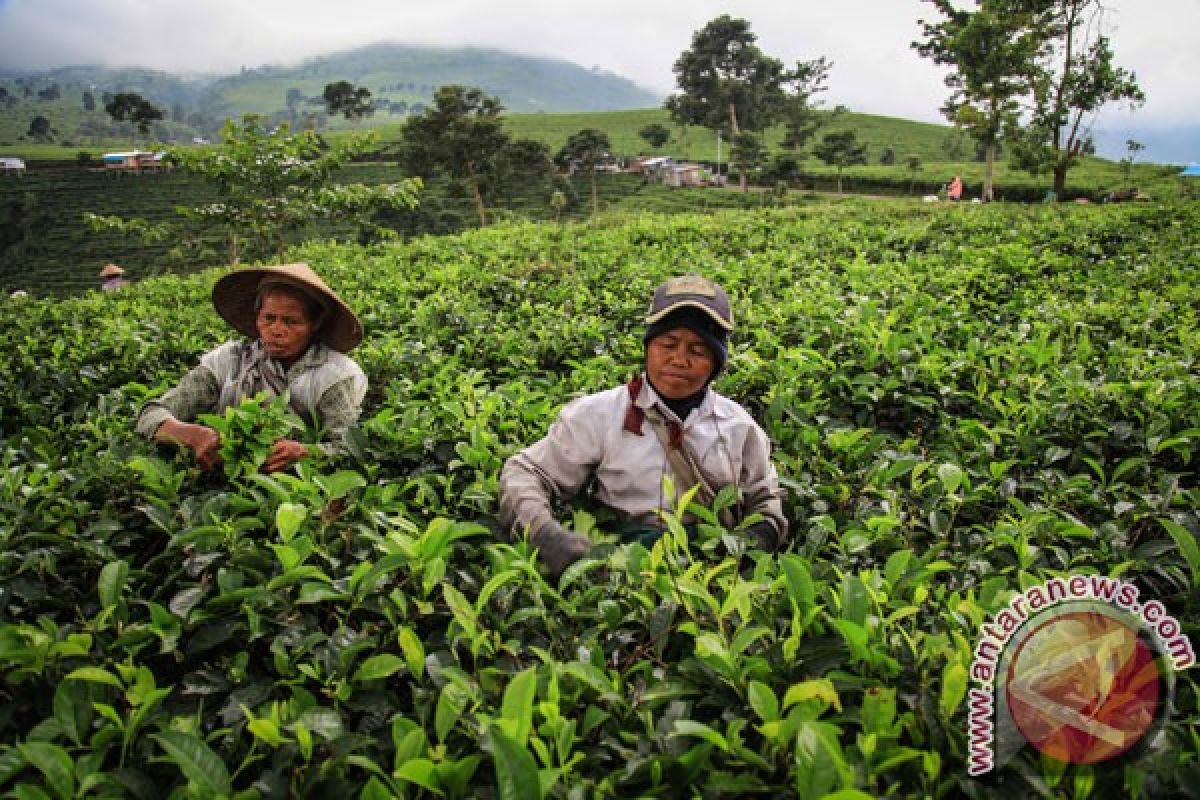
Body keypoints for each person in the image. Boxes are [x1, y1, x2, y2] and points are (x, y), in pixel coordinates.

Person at [499, 274, 788, 577]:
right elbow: (525, 472)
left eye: (698, 351)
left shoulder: (738, 427)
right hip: (619, 574)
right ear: (648, 348)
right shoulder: (598, 415)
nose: (679, 360)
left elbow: (766, 500)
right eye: (668, 344)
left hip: (711, 573)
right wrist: (546, 534)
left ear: (716, 363)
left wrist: (753, 543)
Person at [135, 262, 368, 473]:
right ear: (257, 318)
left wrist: (306, 453)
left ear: (314, 324)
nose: (276, 330)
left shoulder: (335, 376)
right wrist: (193, 436)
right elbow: (151, 415)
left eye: (291, 321)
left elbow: (348, 449)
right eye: (269, 318)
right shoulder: (228, 361)